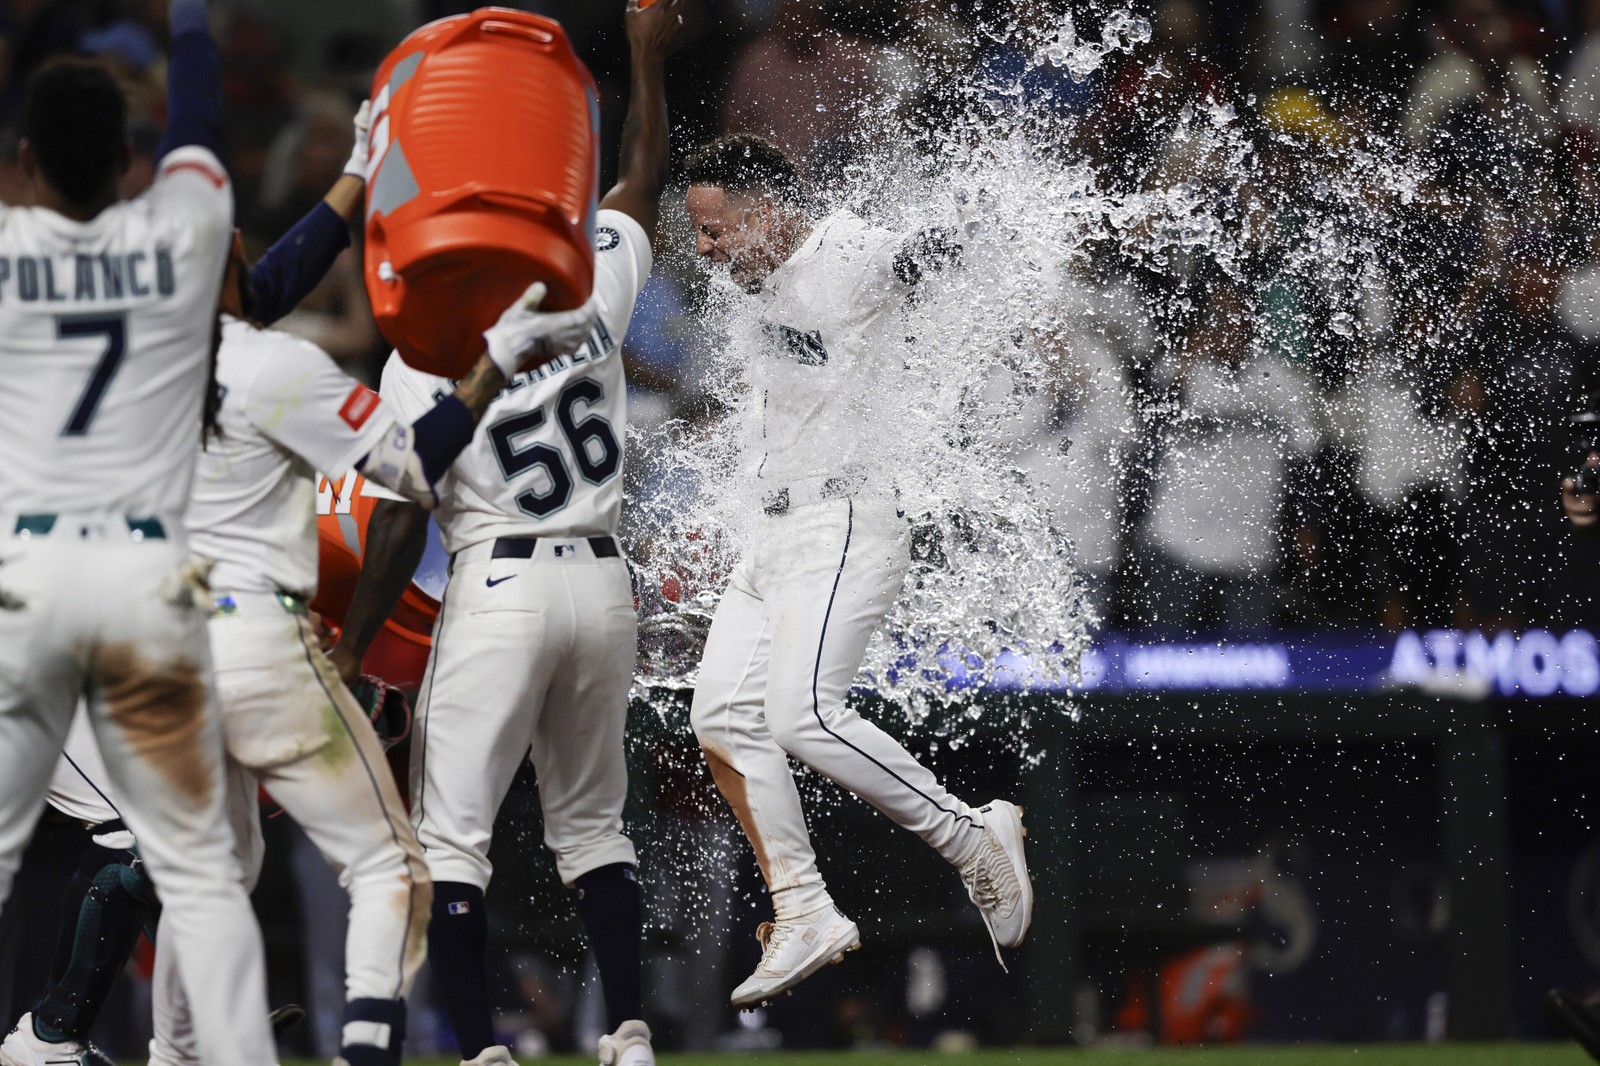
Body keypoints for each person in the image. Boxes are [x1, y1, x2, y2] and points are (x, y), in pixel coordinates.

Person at [1, 94, 598, 1066]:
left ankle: (162, 1052)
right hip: (231, 638)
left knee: (207, 868)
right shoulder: (269, 362)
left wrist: (357, 173)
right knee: (387, 866)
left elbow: (258, 280)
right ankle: (74, 1035)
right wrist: (494, 361)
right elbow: (410, 465)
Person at [329, 4, 682, 1065]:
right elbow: (640, 179)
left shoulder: (423, 348)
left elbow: (396, 517)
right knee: (595, 829)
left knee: (454, 840)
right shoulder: (587, 275)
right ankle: (626, 1032)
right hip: (603, 582)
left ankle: (479, 1047)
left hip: (500, 582)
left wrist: (351, 649)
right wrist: (646, 60)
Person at [679, 133, 1033, 1009]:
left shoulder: (849, 252)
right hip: (769, 537)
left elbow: (930, 252)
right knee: (720, 715)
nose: (705, 251)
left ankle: (970, 836)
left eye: (717, 230)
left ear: (767, 212)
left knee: (801, 716)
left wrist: (1017, 210)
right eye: (699, 232)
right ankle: (802, 910)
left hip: (845, 519)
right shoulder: (746, 283)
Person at [0, 1, 279, 1061]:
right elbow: (197, 128)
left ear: (26, 161)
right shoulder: (181, 247)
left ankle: (68, 1037)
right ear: (129, 158)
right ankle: (48, 1036)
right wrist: (193, 18)